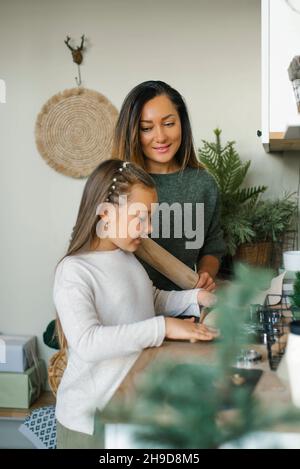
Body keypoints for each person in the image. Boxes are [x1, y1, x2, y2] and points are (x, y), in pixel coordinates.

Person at [53, 159, 218, 448]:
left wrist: (195, 298)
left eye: (151, 218)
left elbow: (150, 300)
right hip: (90, 423)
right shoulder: (74, 271)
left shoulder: (127, 257)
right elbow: (88, 343)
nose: (149, 228)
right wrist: (163, 327)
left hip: (127, 407)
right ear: (105, 212)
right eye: (139, 218)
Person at [112, 80, 226, 293]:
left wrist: (205, 276)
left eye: (169, 123)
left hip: (185, 307)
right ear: (132, 132)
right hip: (129, 311)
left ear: (182, 123)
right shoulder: (117, 184)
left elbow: (213, 246)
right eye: (147, 128)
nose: (161, 137)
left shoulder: (204, 184)